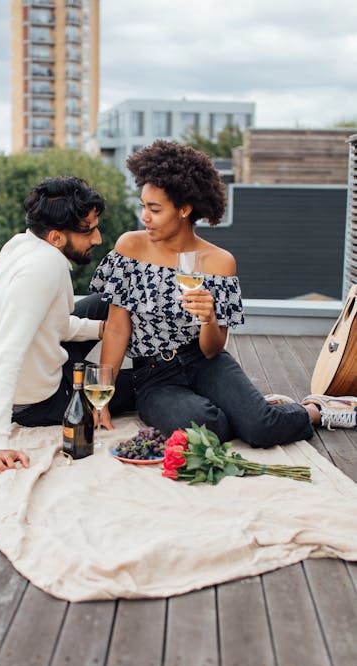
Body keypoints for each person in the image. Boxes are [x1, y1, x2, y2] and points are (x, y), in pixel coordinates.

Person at [90, 140, 357, 447]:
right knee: (206, 430)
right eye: (143, 207)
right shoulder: (130, 247)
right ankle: (252, 410)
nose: (145, 217)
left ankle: (314, 410)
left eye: (155, 209)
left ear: (184, 209)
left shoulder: (220, 262)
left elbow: (212, 349)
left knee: (261, 429)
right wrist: (104, 396)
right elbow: (117, 328)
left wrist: (209, 318)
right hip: (153, 375)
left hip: (205, 363)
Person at [0, 176, 136, 473]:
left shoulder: (22, 244)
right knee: (143, 385)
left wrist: (103, 330)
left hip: (49, 361)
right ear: (57, 238)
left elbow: (56, 326)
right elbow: (3, 354)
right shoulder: (43, 268)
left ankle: (140, 347)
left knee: (106, 303)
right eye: (88, 231)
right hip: (38, 402)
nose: (98, 239)